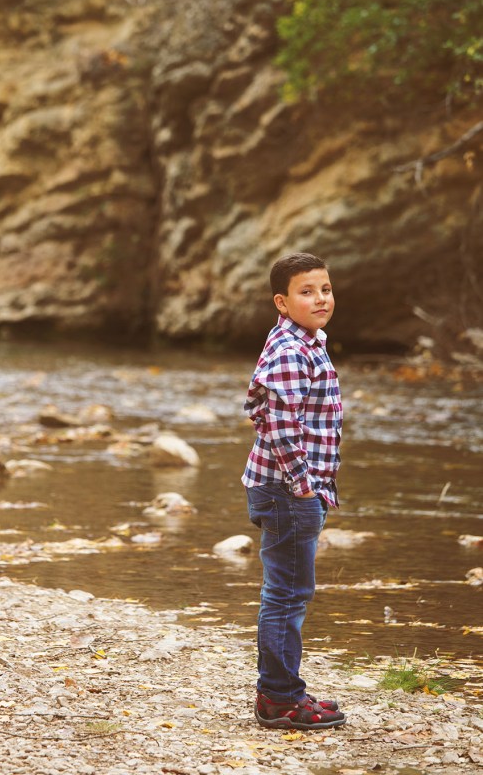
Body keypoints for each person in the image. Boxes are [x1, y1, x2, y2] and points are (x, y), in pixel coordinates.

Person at [242, 252, 346, 730]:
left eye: (324, 289)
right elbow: (281, 424)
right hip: (288, 490)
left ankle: (280, 692)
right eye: (307, 291)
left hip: (291, 486)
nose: (320, 298)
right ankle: (280, 699)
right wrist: (305, 488)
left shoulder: (306, 340)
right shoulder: (291, 349)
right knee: (286, 594)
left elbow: (263, 408)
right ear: (282, 302)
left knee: (286, 591)